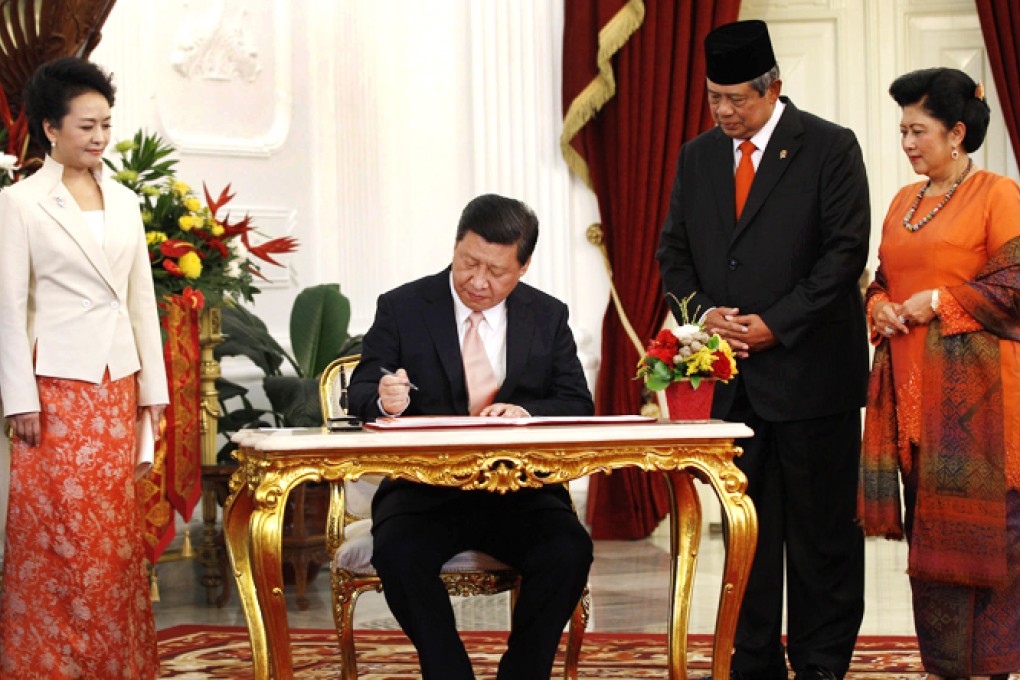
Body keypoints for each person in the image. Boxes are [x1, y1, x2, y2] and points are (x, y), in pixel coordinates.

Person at [656, 20, 871, 680]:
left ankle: (821, 663)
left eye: (736, 99)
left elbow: (844, 255)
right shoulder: (697, 157)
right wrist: (702, 315)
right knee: (749, 535)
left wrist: (776, 323)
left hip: (812, 379)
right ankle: (752, 663)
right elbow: (674, 253)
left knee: (820, 536)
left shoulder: (830, 148)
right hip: (733, 384)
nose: (722, 111)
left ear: (773, 87)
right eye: (713, 97)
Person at [347, 193, 594, 680]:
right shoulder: (403, 307)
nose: (478, 281)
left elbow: (576, 403)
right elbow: (359, 392)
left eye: (496, 271)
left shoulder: (547, 316)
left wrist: (526, 411)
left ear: (522, 267)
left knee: (569, 550)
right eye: (468, 263)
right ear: (456, 246)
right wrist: (384, 398)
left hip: (522, 492)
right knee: (399, 551)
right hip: (424, 491)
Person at [0, 57, 167, 678]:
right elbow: (8, 307)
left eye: (106, 125)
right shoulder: (19, 204)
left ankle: (112, 663)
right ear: (50, 129)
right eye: (86, 126)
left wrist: (154, 390)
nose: (99, 138)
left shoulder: (124, 201)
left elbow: (141, 301)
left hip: (117, 386)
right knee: (60, 535)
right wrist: (19, 397)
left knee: (111, 536)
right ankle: (51, 663)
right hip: (54, 391)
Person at [858, 67, 1020, 679]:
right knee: (934, 549)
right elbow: (882, 280)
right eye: (901, 130)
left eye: (917, 131)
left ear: (957, 133)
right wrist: (879, 307)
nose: (906, 143)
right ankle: (946, 668)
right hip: (910, 400)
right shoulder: (904, 201)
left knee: (993, 545)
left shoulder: (997, 194)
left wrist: (939, 303)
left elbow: (1016, 283)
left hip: (983, 409)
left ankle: (995, 668)